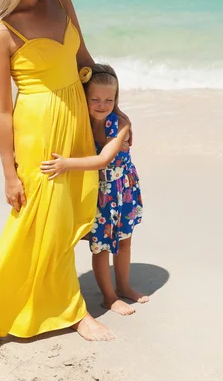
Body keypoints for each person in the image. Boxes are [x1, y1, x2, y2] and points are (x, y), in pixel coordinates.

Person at [0, 0, 118, 343]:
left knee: (68, 214)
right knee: (42, 220)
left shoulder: (62, 1)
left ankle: (53, 296)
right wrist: (9, 173)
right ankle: (72, 312)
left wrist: (113, 111)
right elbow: (0, 108)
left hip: (75, 121)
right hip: (38, 134)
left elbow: (85, 61)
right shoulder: (2, 31)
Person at [40, 64, 147, 316]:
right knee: (100, 247)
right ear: (83, 98)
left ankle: (123, 286)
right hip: (98, 193)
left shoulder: (120, 123)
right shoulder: (79, 123)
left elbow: (103, 160)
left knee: (124, 241)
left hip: (123, 188)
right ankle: (109, 297)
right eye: (95, 99)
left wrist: (66, 165)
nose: (102, 104)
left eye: (109, 99)